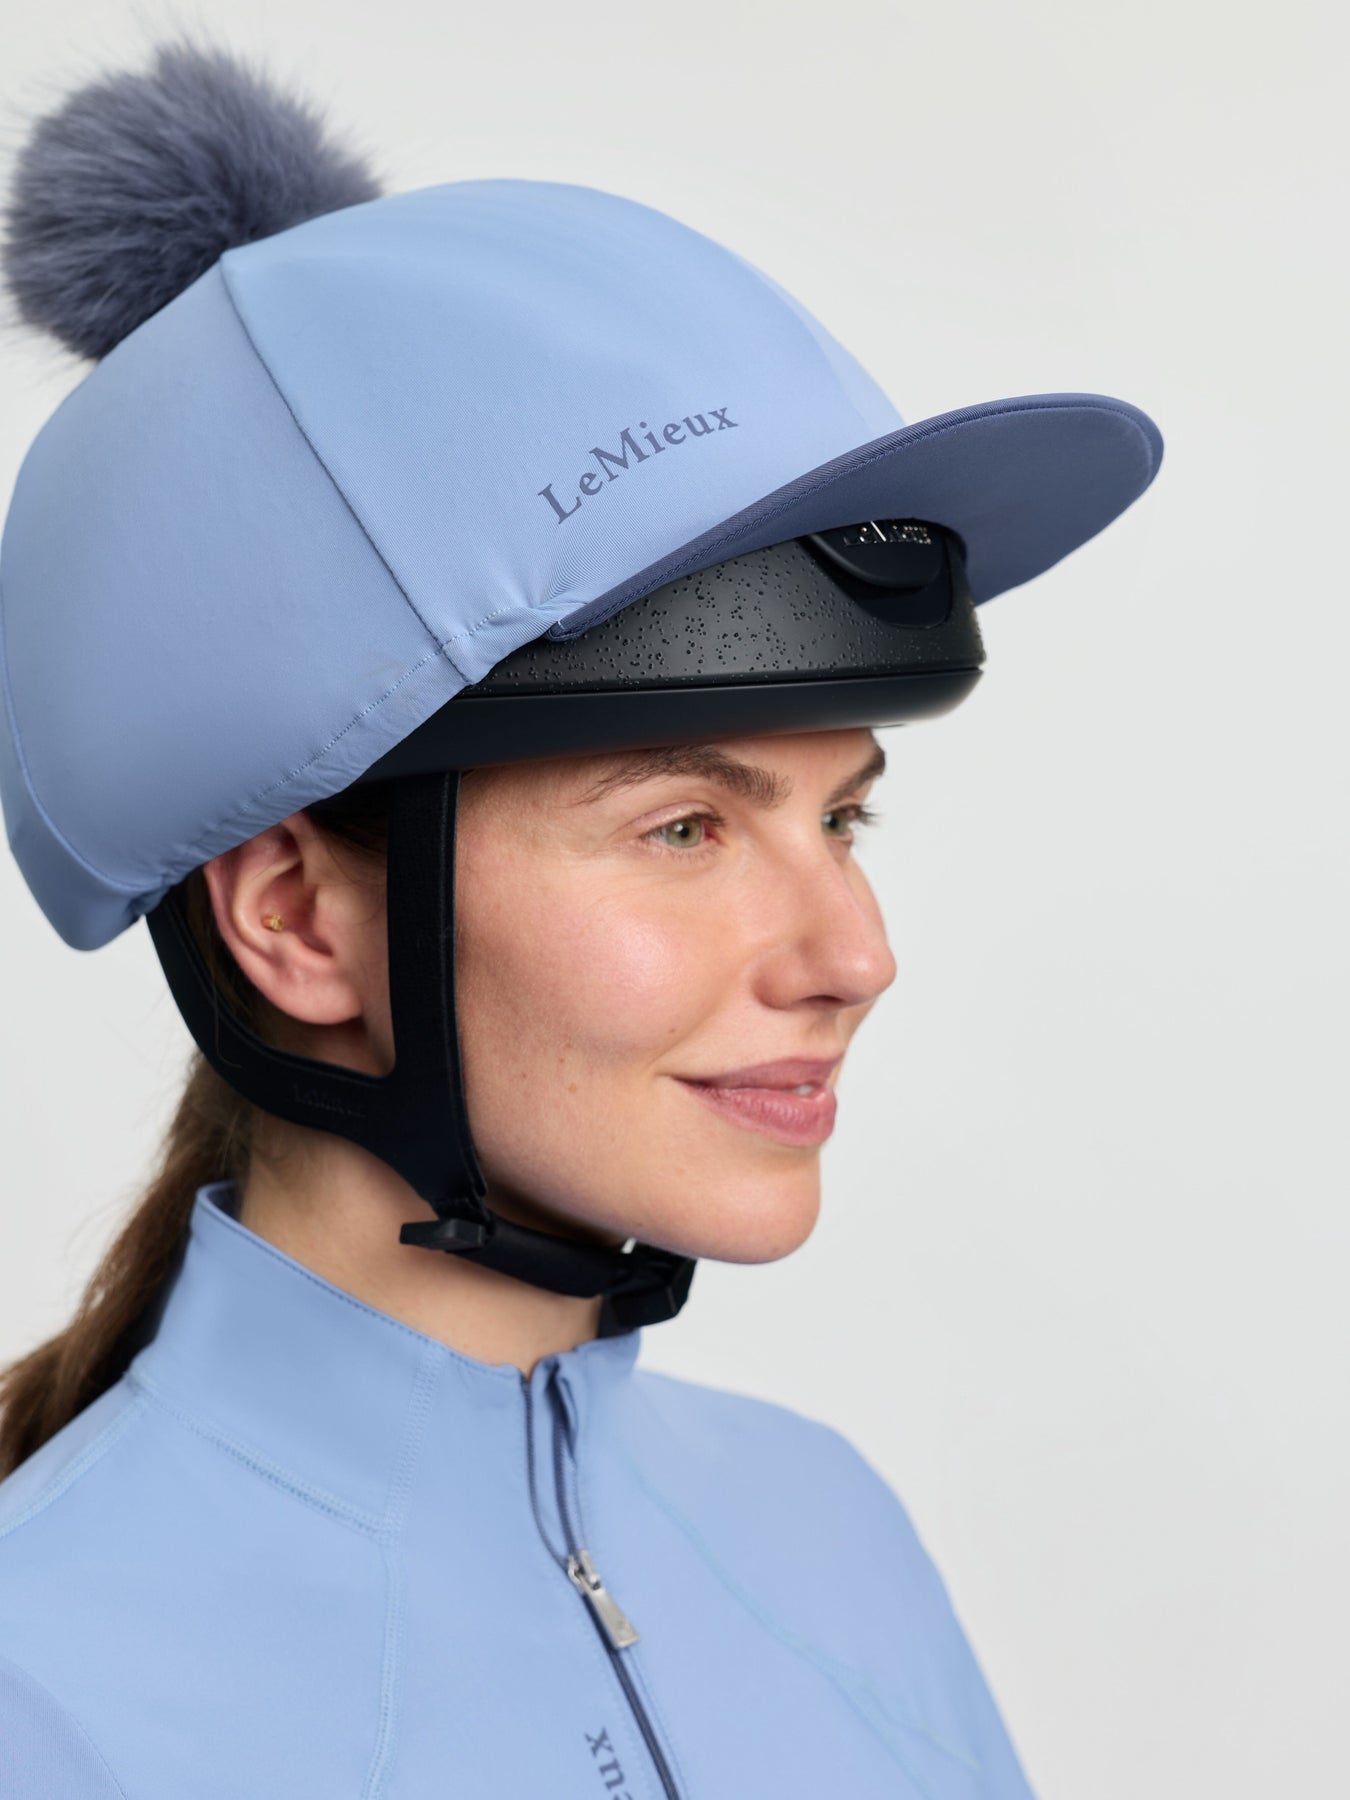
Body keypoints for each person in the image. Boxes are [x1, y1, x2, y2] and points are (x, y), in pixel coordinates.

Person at [0, 39, 1162, 1800]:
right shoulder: (45, 1692)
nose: (853, 957)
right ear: (296, 920)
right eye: (685, 827)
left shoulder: (829, 1533)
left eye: (840, 815)